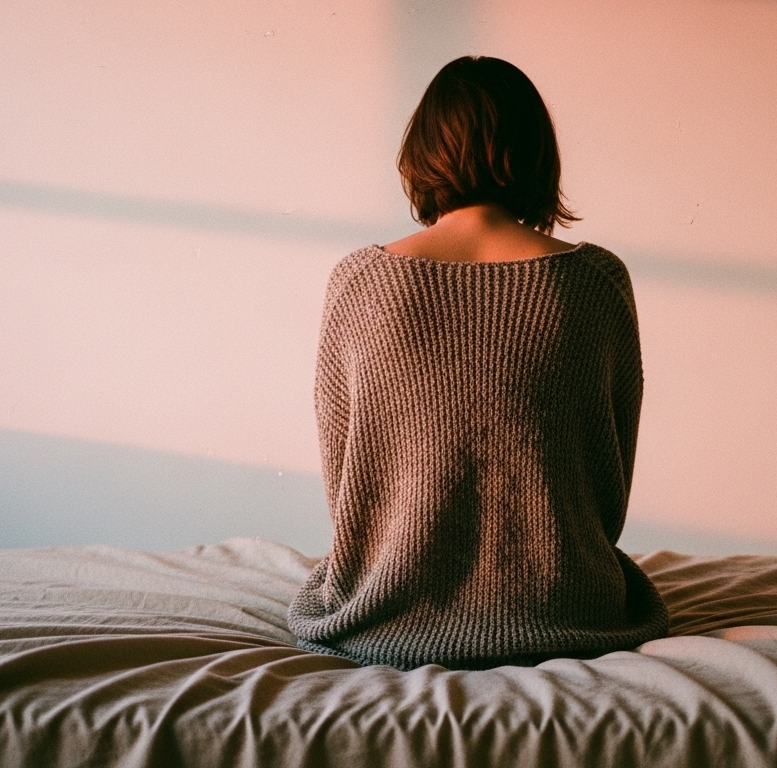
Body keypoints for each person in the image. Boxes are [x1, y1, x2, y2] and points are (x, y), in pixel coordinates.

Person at [286, 56, 668, 670]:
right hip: (569, 605)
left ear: (421, 153)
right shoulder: (595, 281)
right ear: (539, 154)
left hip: (388, 609)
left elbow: (347, 473)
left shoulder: (359, 282)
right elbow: (610, 469)